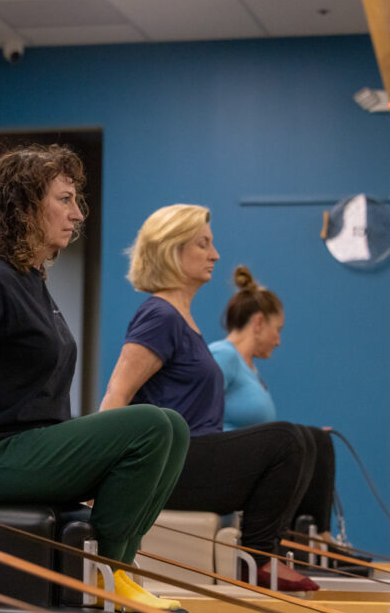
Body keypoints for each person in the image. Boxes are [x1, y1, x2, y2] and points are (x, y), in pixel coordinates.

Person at [0, 145, 190, 612]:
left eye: (76, 201)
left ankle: (120, 571)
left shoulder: (32, 281)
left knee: (173, 427)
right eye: (64, 199)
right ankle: (109, 576)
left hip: (31, 448)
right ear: (23, 206)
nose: (77, 213)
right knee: (148, 425)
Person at [99, 204, 319, 592]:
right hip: (168, 466)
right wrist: (97, 482)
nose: (215, 255)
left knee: (307, 438)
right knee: (286, 440)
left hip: (189, 457)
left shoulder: (183, 319)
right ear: (172, 250)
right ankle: (258, 558)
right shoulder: (160, 316)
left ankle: (274, 552)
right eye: (203, 244)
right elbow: (117, 394)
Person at [210, 266, 338, 546]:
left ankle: (314, 536)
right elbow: (201, 418)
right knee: (299, 437)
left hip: (247, 466)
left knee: (317, 439)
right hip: (220, 466)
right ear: (258, 323)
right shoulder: (224, 356)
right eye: (276, 330)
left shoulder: (250, 369)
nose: (279, 340)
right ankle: (304, 540)